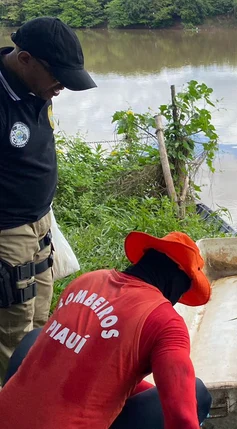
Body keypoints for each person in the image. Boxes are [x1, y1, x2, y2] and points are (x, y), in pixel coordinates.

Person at [0, 231, 213, 428]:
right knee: (196, 392)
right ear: (177, 284)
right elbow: (182, 417)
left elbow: (97, 369)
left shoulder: (87, 280)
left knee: (38, 336)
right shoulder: (165, 321)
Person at [0, 16, 97, 381]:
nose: (61, 88)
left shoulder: (35, 87)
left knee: (40, 314)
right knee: (13, 326)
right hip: (8, 232)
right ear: (25, 59)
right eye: (58, 76)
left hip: (40, 222)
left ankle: (35, 386)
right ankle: (15, 403)